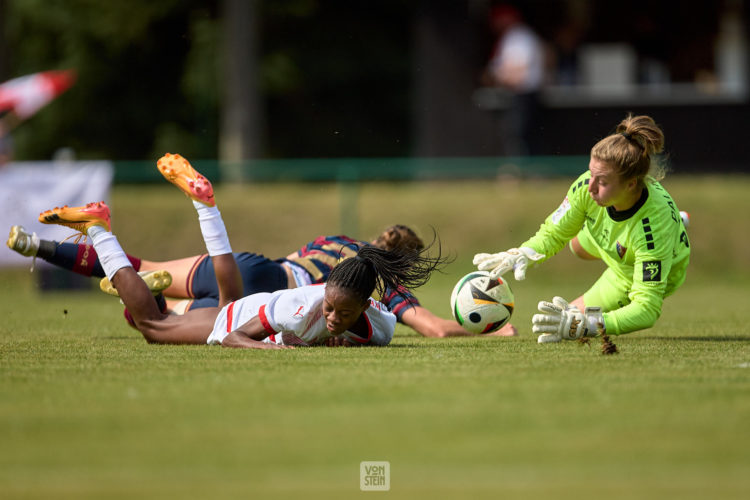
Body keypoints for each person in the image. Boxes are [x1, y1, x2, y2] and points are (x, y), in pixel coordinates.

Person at [34, 153, 447, 348]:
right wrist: (286, 355)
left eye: (341, 312)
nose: (333, 318)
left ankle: (203, 205)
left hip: (263, 276)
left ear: (364, 305)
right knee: (152, 327)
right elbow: (234, 336)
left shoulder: (380, 322)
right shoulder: (304, 308)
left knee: (154, 281)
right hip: (248, 310)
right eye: (330, 309)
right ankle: (99, 229)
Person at [9, 224, 516, 339]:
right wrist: (491, 330)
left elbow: (291, 262)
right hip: (268, 293)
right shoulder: (374, 287)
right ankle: (111, 239)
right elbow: (430, 326)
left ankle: (40, 246)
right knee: (152, 321)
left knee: (140, 277)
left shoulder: (335, 242)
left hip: (258, 270)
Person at [473, 115, 690, 342]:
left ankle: (674, 231)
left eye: (603, 182)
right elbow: (554, 232)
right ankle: (670, 226)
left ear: (631, 184)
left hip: (630, 270)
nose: (591, 187)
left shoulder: (653, 229)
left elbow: (646, 309)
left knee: (568, 325)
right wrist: (524, 252)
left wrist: (590, 325)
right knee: (576, 246)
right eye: (591, 174)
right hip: (610, 239)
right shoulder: (587, 186)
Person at [481, 3, 545, 156]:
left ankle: (525, 171)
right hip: (518, 95)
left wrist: (495, 76)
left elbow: (518, 73)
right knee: (516, 135)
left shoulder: (519, 37)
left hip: (525, 95)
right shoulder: (510, 38)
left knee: (520, 135)